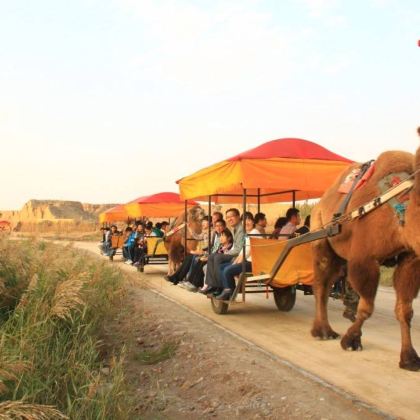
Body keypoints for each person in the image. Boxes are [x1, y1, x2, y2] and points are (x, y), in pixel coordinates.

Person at [216, 215, 260, 300]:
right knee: (222, 267)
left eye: (249, 220)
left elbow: (246, 253)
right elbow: (242, 251)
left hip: (253, 263)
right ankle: (227, 289)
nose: (246, 223)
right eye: (244, 221)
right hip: (248, 261)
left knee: (227, 270)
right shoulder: (248, 234)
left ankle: (230, 292)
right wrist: (235, 262)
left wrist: (234, 263)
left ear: (253, 222)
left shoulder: (254, 233)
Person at [203, 208, 245, 295]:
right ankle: (213, 285)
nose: (229, 219)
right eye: (227, 217)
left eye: (232, 216)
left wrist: (226, 253)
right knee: (213, 256)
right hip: (235, 254)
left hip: (239, 256)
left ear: (238, 217)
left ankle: (219, 286)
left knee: (217, 257)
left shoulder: (241, 229)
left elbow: (238, 249)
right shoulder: (235, 228)